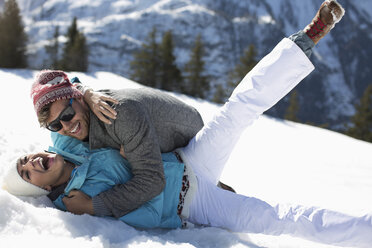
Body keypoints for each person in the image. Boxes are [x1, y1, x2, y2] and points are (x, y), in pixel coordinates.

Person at [6, 0, 370, 246]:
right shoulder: (72, 203)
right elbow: (146, 204)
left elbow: (66, 94)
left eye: (66, 116)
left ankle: (304, 41)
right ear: (36, 188)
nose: (64, 127)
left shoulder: (67, 144)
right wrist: (93, 206)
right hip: (195, 205)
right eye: (27, 173)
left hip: (189, 158)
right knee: (282, 219)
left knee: (238, 108)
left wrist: (84, 92)